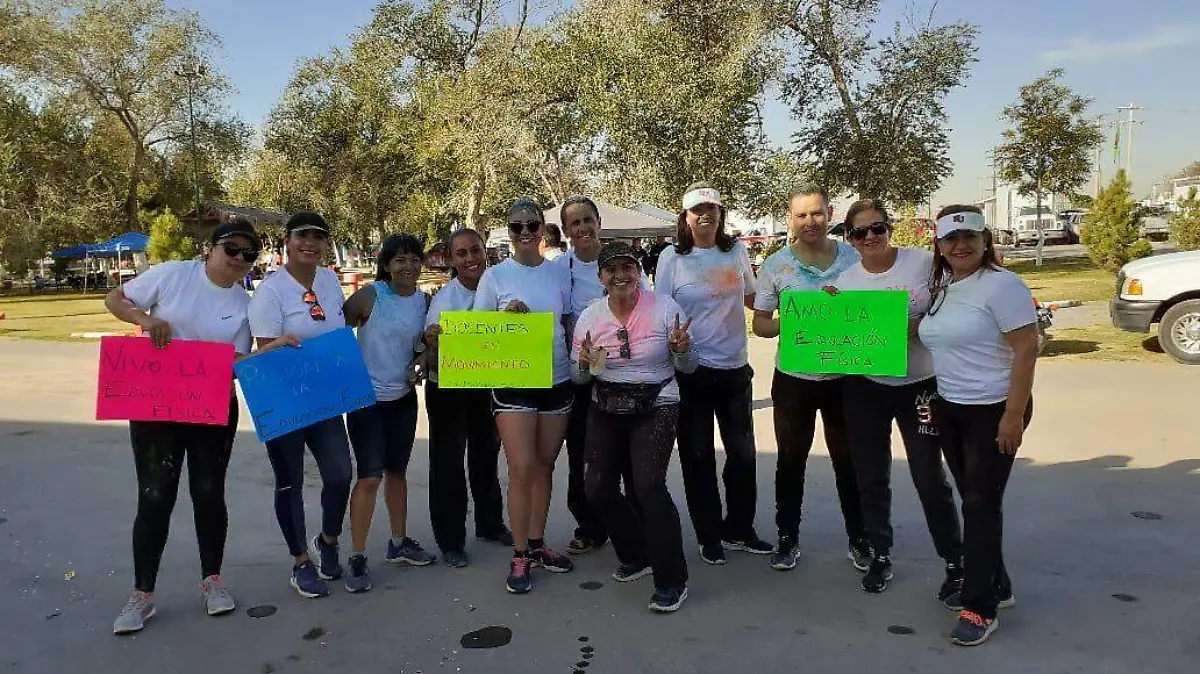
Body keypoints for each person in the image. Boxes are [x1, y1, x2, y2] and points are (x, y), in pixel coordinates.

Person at [105, 218, 296, 634]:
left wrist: (273, 349)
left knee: (208, 493)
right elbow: (114, 299)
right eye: (232, 250)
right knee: (155, 496)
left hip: (212, 409)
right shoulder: (174, 275)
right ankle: (142, 594)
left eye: (250, 254)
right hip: (156, 406)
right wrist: (145, 319)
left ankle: (212, 580)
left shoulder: (248, 305)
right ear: (210, 249)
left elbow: (235, 364)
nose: (240, 260)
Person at [824, 199, 964, 596]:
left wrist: (924, 324)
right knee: (870, 476)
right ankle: (880, 554)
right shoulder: (848, 283)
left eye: (877, 228)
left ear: (890, 228)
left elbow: (955, 303)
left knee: (928, 477)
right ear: (849, 238)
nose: (870, 237)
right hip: (866, 388)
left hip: (921, 385)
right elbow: (832, 334)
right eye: (859, 232)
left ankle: (955, 561)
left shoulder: (923, 264)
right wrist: (826, 312)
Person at [918, 205, 1038, 647]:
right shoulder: (947, 285)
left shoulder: (1002, 285)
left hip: (993, 409)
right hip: (953, 408)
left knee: (980, 505)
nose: (961, 245)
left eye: (970, 236)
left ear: (986, 239)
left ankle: (980, 607)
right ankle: (997, 586)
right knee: (978, 502)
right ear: (940, 246)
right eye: (951, 239)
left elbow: (1027, 349)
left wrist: (1013, 414)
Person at [751, 186, 870, 571]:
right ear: (790, 220)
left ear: (829, 213)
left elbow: (874, 305)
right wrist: (794, 320)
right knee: (790, 460)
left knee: (849, 461)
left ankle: (860, 538)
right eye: (801, 215)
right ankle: (787, 537)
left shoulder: (854, 258)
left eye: (816, 213)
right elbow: (761, 324)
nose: (810, 222)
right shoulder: (776, 265)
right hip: (794, 379)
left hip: (845, 376)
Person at [572, 242, 695, 612]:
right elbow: (580, 379)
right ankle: (636, 552)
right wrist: (582, 362)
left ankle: (672, 580)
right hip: (605, 402)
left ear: (638, 271)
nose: (621, 275)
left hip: (657, 401)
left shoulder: (664, 308)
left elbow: (689, 367)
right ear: (601, 278)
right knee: (595, 486)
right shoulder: (591, 317)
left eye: (628, 267)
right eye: (612, 270)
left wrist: (681, 349)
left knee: (648, 485)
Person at [655, 182, 770, 565]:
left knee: (742, 456)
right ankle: (709, 535)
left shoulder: (736, 251)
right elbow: (663, 308)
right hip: (692, 373)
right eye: (696, 210)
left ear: (720, 214)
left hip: (736, 368)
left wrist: (802, 303)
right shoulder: (672, 258)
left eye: (712, 209)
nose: (705, 215)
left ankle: (740, 528)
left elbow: (755, 298)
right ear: (685, 217)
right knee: (698, 455)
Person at [248, 211, 354, 599]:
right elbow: (264, 352)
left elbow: (338, 330)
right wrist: (279, 345)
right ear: (287, 241)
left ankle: (327, 539)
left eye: (318, 237)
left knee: (340, 473)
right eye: (302, 236)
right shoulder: (271, 291)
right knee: (289, 480)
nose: (310, 243)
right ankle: (300, 563)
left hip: (324, 397)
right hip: (284, 399)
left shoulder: (328, 280)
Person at [473, 198, 575, 594]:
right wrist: (503, 319)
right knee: (521, 468)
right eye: (517, 227)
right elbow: (479, 332)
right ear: (509, 232)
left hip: (556, 377)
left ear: (543, 229)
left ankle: (536, 544)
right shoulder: (495, 277)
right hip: (513, 380)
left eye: (532, 225)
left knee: (545, 466)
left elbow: (567, 320)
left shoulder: (558, 274)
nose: (526, 233)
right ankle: (518, 553)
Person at [339, 234, 437, 593]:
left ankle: (398, 542)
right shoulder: (370, 295)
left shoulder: (425, 302)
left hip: (403, 400)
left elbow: (427, 345)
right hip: (367, 402)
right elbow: (334, 332)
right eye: (400, 260)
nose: (408, 266)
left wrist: (423, 359)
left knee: (397, 474)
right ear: (386, 264)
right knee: (369, 479)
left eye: (414, 259)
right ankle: (357, 555)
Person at [555, 196, 641, 554]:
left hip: (625, 371)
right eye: (574, 223)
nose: (582, 228)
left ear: (599, 222)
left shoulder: (622, 263)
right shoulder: (561, 268)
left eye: (587, 220)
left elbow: (644, 308)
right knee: (582, 453)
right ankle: (590, 525)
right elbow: (558, 316)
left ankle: (636, 522)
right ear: (566, 231)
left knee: (627, 455)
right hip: (581, 374)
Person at [423, 228, 512, 568]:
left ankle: (490, 524)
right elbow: (432, 349)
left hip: (486, 382)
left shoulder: (501, 287)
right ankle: (450, 540)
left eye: (475, 250)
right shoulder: (445, 299)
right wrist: (433, 339)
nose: (470, 258)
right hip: (447, 386)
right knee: (448, 463)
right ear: (451, 259)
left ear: (484, 251)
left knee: (486, 455)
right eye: (461, 253)